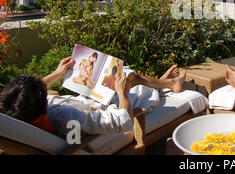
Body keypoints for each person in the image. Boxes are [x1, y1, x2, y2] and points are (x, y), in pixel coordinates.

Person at [0, 57, 186, 138]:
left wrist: (58, 73)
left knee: (124, 76)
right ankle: (169, 85)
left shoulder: (19, 112)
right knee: (129, 78)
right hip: (107, 110)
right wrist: (122, 92)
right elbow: (122, 121)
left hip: (88, 102)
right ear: (41, 101)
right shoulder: (67, 118)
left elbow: (30, 93)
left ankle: (162, 84)